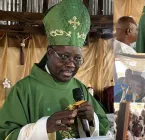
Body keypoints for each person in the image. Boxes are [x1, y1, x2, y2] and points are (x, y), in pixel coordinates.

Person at [0, 0, 110, 139]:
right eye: (64, 56)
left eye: (77, 58)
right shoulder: (24, 90)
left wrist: (91, 120)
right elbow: (5, 134)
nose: (71, 64)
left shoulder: (80, 88)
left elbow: (105, 127)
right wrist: (44, 127)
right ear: (50, 53)